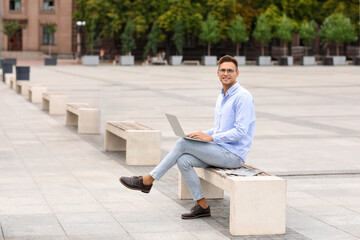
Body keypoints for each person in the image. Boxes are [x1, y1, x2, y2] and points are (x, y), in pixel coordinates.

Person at [120, 55, 255, 219]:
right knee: (184, 160)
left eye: (230, 71)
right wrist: (202, 134)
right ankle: (202, 206)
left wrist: (211, 138)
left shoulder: (242, 97)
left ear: (237, 73)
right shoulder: (222, 95)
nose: (226, 73)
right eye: (223, 70)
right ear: (218, 73)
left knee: (182, 143)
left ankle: (148, 180)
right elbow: (219, 128)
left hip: (233, 155)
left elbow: (240, 131)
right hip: (220, 150)